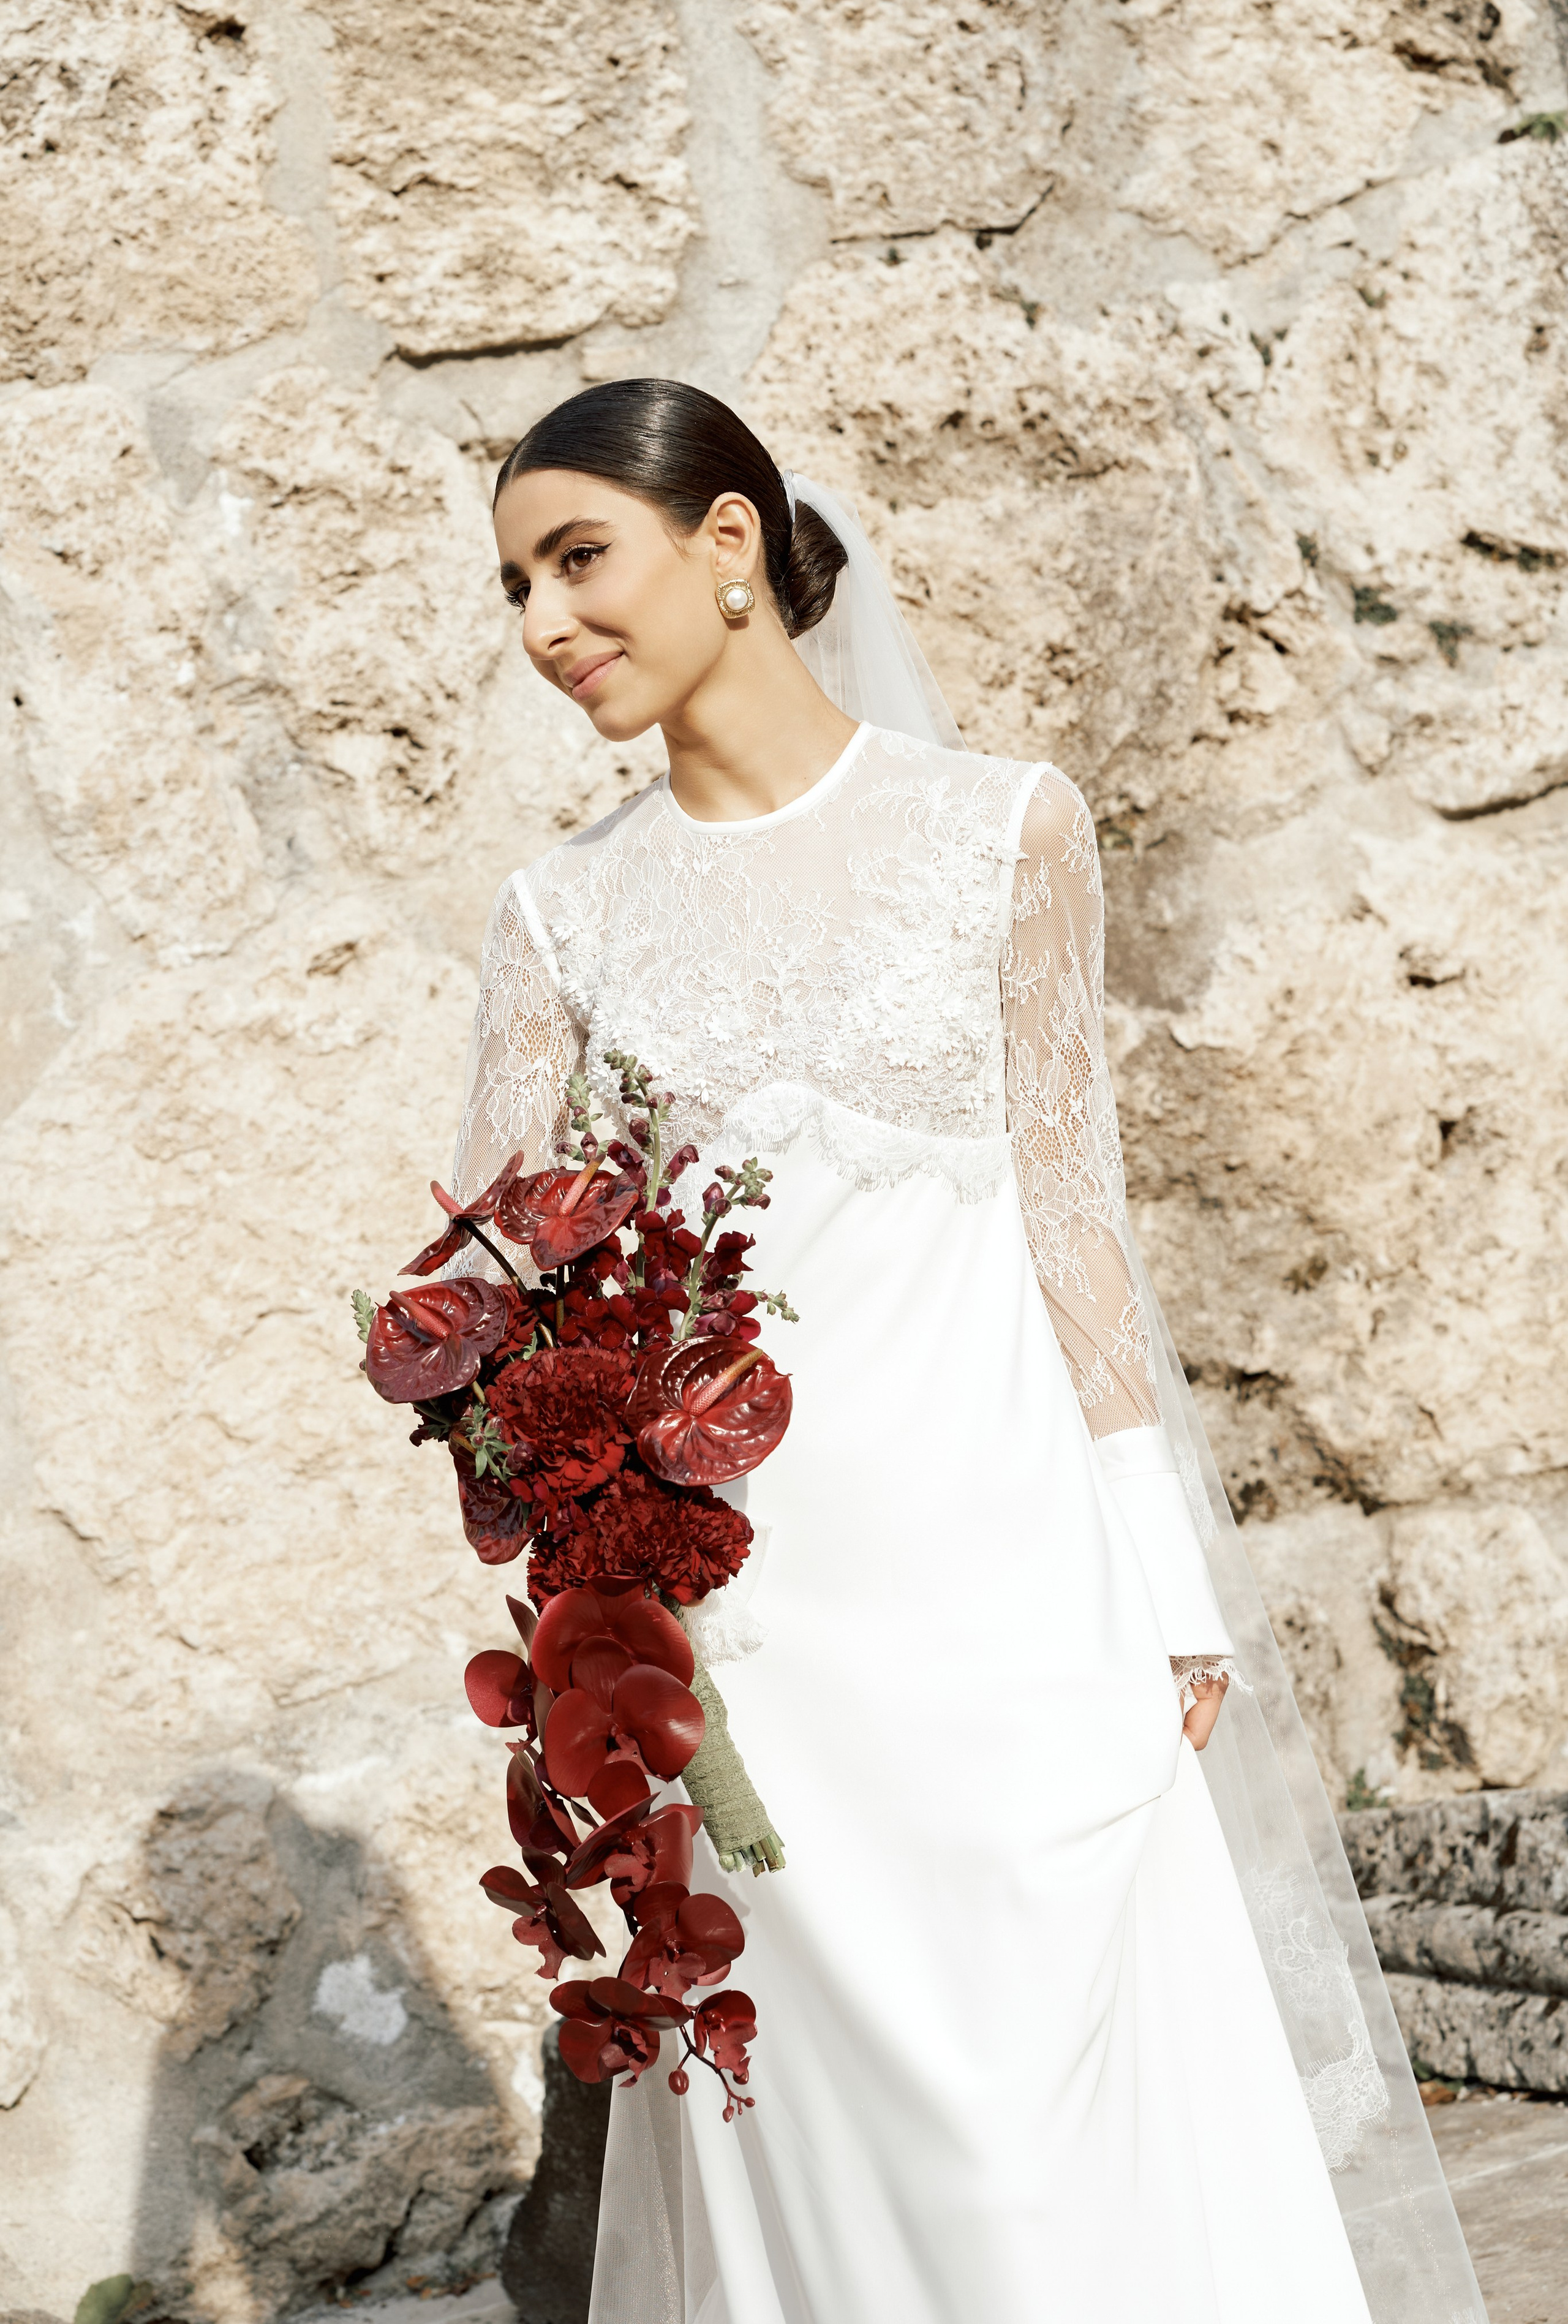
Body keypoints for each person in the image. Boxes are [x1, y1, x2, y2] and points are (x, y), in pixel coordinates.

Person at [453, 380, 1485, 2324]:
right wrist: (597, 1630)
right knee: (835, 2165)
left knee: (1071, 2147)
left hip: (1021, 1602)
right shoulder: (561, 917)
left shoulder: (1004, 830)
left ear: (731, 545)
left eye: (578, 557)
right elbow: (504, 1314)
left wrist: (1168, 1591)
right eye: (516, 582)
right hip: (758, 1653)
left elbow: (1072, 1220)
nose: (541, 623)